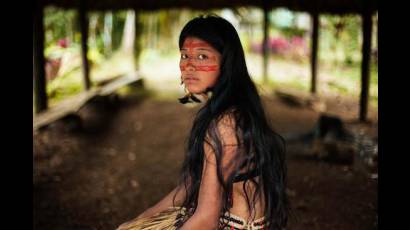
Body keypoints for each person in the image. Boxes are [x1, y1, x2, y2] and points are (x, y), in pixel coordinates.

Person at [117, 14, 289, 230]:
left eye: (202, 57)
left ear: (226, 63)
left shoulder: (226, 124)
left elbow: (206, 219)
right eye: (184, 55)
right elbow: (190, 184)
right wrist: (141, 220)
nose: (189, 65)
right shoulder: (227, 109)